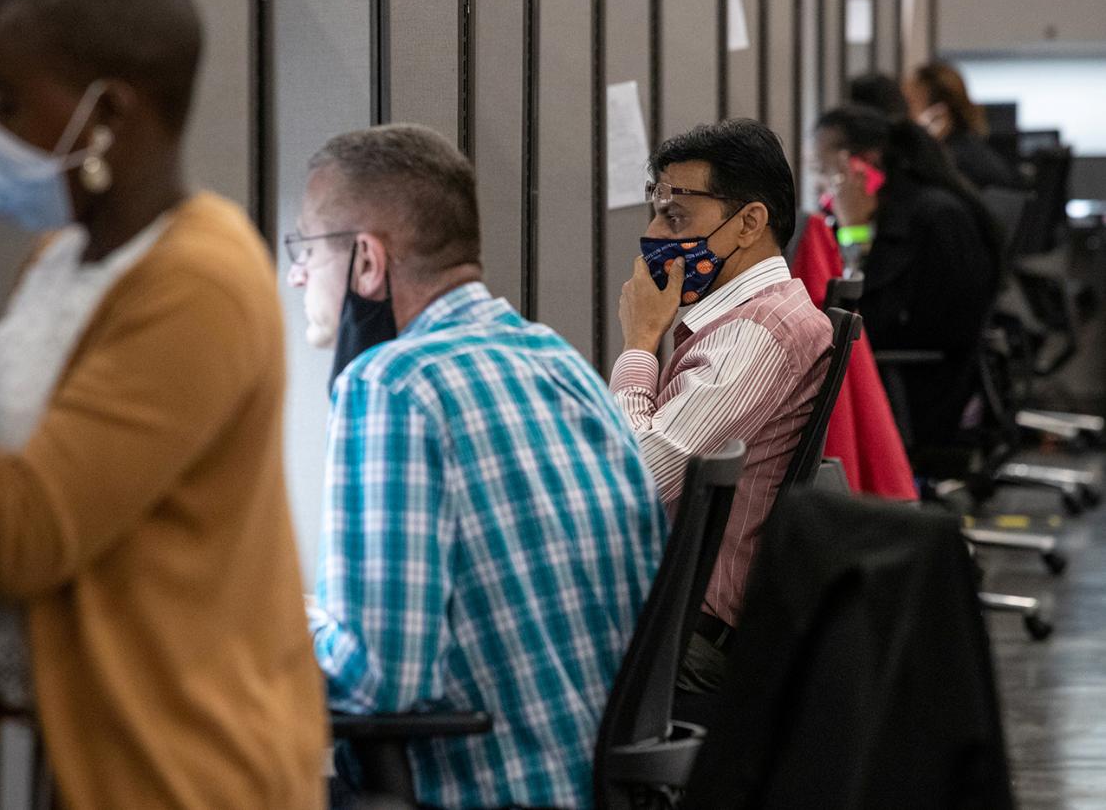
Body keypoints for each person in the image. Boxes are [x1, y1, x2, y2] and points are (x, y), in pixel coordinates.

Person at [0, 0, 325, 808]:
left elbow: (25, 535)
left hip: (176, 766)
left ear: (107, 114)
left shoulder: (200, 282)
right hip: (58, 744)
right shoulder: (60, 260)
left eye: (10, 101)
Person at [287, 124, 667, 809]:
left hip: (484, 788)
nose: (294, 272)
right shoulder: (557, 361)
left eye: (305, 247)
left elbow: (378, 678)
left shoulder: (390, 387)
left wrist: (269, 617)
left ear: (368, 261)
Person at [611, 118, 833, 693]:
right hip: (668, 615)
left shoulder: (757, 335)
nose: (656, 234)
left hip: (683, 641)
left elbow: (630, 478)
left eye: (676, 216)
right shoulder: (748, 319)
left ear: (749, 223)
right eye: (656, 211)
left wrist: (639, 346)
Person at [813, 104, 1003, 447]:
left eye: (825, 171)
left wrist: (854, 231)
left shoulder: (928, 220)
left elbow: (866, 322)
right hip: (915, 378)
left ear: (859, 165)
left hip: (919, 391)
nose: (822, 188)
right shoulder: (909, 210)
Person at [904, 61, 1019, 190]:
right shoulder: (964, 149)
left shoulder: (952, 164)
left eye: (909, 104)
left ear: (937, 116)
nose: (903, 113)